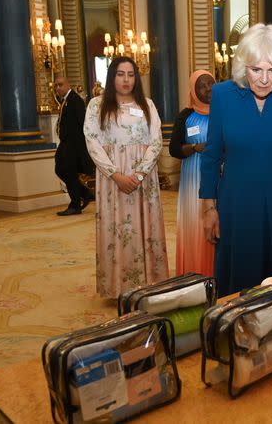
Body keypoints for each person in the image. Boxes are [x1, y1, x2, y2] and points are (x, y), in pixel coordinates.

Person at [200, 24, 272, 297]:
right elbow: (212, 154)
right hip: (237, 206)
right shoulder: (222, 95)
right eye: (256, 69)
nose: (264, 79)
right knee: (240, 285)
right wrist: (208, 209)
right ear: (243, 65)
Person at [83, 56, 168, 299]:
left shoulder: (147, 105)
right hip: (112, 180)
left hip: (143, 178)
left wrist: (140, 173)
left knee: (145, 226)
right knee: (118, 228)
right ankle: (118, 287)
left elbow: (156, 141)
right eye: (121, 74)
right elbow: (92, 142)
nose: (126, 79)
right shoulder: (96, 106)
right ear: (112, 76)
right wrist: (116, 175)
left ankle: (150, 282)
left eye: (131, 74)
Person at [169, 70, 216, 277]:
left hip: (219, 175)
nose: (208, 89)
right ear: (193, 90)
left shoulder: (223, 112)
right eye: (202, 86)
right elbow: (174, 149)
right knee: (195, 224)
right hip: (193, 177)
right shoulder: (185, 116)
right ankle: (195, 273)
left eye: (211, 84)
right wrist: (194, 148)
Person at [54, 76, 95, 216]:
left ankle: (75, 204)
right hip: (66, 143)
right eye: (56, 86)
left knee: (68, 172)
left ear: (67, 84)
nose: (57, 88)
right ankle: (85, 192)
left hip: (73, 145)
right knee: (59, 169)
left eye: (60, 85)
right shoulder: (65, 100)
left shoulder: (75, 100)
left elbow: (82, 124)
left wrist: (80, 149)